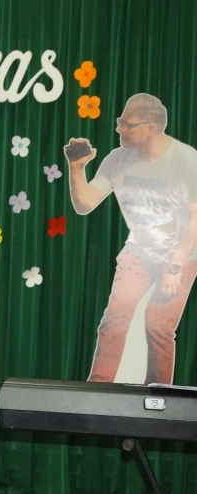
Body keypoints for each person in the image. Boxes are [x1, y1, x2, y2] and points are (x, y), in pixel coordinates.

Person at [66, 93, 197, 384]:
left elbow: (195, 220)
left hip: (181, 254)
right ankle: (98, 391)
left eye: (128, 124)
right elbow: (85, 204)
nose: (120, 129)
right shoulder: (117, 159)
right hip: (140, 250)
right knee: (114, 320)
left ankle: (159, 397)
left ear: (152, 128)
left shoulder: (186, 160)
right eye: (120, 122)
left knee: (158, 326)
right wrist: (76, 168)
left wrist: (175, 267)